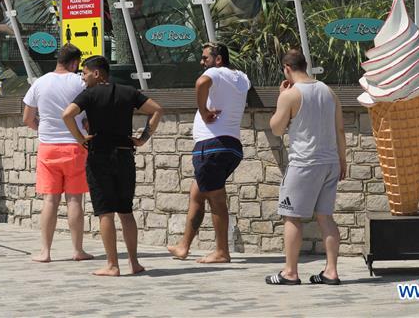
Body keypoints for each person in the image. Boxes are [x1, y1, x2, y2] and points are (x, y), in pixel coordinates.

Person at [61, 56, 163, 277]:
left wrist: (80, 139)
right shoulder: (128, 91)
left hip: (99, 156)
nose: (83, 77)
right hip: (125, 155)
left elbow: (67, 114)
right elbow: (157, 110)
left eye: (85, 73)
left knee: (105, 212)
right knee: (126, 211)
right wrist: (144, 137)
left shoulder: (89, 94)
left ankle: (112, 265)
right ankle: (134, 263)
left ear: (97, 73)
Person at [265, 49, 346, 286]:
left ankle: (290, 272)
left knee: (291, 217)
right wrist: (343, 160)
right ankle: (331, 271)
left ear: (287, 69)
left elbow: (277, 129)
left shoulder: (290, 94)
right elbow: (340, 129)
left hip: (304, 163)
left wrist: (281, 96)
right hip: (330, 161)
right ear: (306, 65)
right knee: (325, 217)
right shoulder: (328, 91)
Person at [168, 42, 250, 263]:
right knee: (197, 194)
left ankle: (222, 251)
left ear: (219, 59)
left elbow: (201, 82)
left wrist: (203, 111)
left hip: (211, 147)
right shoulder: (241, 77)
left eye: (205, 58)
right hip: (231, 147)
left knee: (216, 199)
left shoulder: (214, 73)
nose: (202, 62)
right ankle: (184, 246)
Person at [22, 44, 93, 263]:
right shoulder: (80, 82)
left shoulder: (40, 83)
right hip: (75, 145)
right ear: (74, 63)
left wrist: (42, 128)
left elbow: (27, 118)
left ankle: (45, 252)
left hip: (48, 147)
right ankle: (78, 250)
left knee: (50, 200)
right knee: (74, 200)